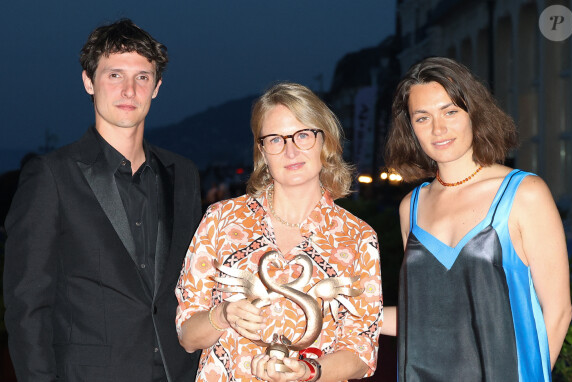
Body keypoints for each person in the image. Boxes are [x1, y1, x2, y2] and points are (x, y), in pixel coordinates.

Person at [3, 19, 202, 381]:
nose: (129, 90)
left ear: (156, 87)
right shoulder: (50, 176)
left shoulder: (184, 175)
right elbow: (27, 306)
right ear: (88, 81)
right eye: (114, 75)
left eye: (142, 77)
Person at [175, 82, 383, 382]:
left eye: (302, 135)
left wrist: (309, 372)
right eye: (275, 139)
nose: (290, 151)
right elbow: (187, 336)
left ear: (324, 141)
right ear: (262, 150)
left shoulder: (359, 238)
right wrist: (223, 315)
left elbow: (361, 352)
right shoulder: (221, 220)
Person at [381, 57, 571, 381]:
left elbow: (557, 312)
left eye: (450, 111)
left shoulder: (524, 193)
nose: (438, 128)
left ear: (474, 113)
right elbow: (424, 317)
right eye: (422, 118)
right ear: (410, 128)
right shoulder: (409, 208)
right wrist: (332, 306)